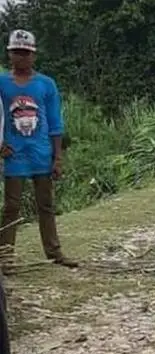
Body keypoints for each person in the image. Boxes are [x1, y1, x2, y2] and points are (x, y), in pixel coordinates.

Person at [0, 29, 77, 270]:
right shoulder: (2, 83)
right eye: (16, 53)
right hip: (14, 156)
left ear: (34, 55)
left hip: (42, 154)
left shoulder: (46, 84)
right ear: (9, 54)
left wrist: (57, 158)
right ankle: (5, 258)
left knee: (46, 204)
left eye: (26, 53)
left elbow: (55, 123)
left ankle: (54, 252)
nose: (21, 58)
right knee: (11, 206)